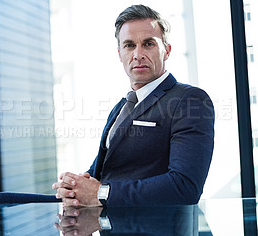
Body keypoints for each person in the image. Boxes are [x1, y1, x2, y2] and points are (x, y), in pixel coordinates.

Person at [52, 4, 214, 207]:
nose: (138, 54)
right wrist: (74, 186)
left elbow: (185, 186)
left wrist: (102, 193)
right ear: (120, 54)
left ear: (167, 50)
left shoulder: (190, 100)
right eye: (129, 45)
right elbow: (102, 174)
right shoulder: (121, 107)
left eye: (148, 44)